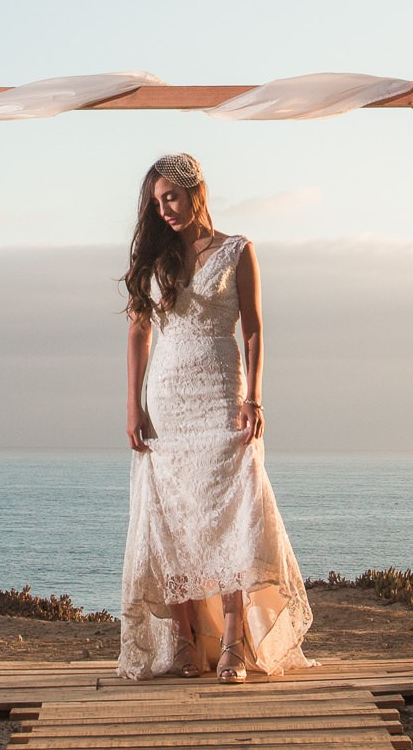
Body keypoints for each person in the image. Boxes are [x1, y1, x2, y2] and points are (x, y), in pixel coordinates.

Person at [116, 153, 312, 681]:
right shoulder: (158, 258)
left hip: (223, 394)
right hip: (167, 398)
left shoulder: (237, 249)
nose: (165, 211)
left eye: (171, 198)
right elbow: (139, 331)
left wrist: (255, 397)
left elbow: (252, 326)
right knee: (173, 518)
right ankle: (182, 642)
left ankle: (232, 642)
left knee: (228, 515)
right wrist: (132, 403)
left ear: (196, 190)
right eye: (157, 204)